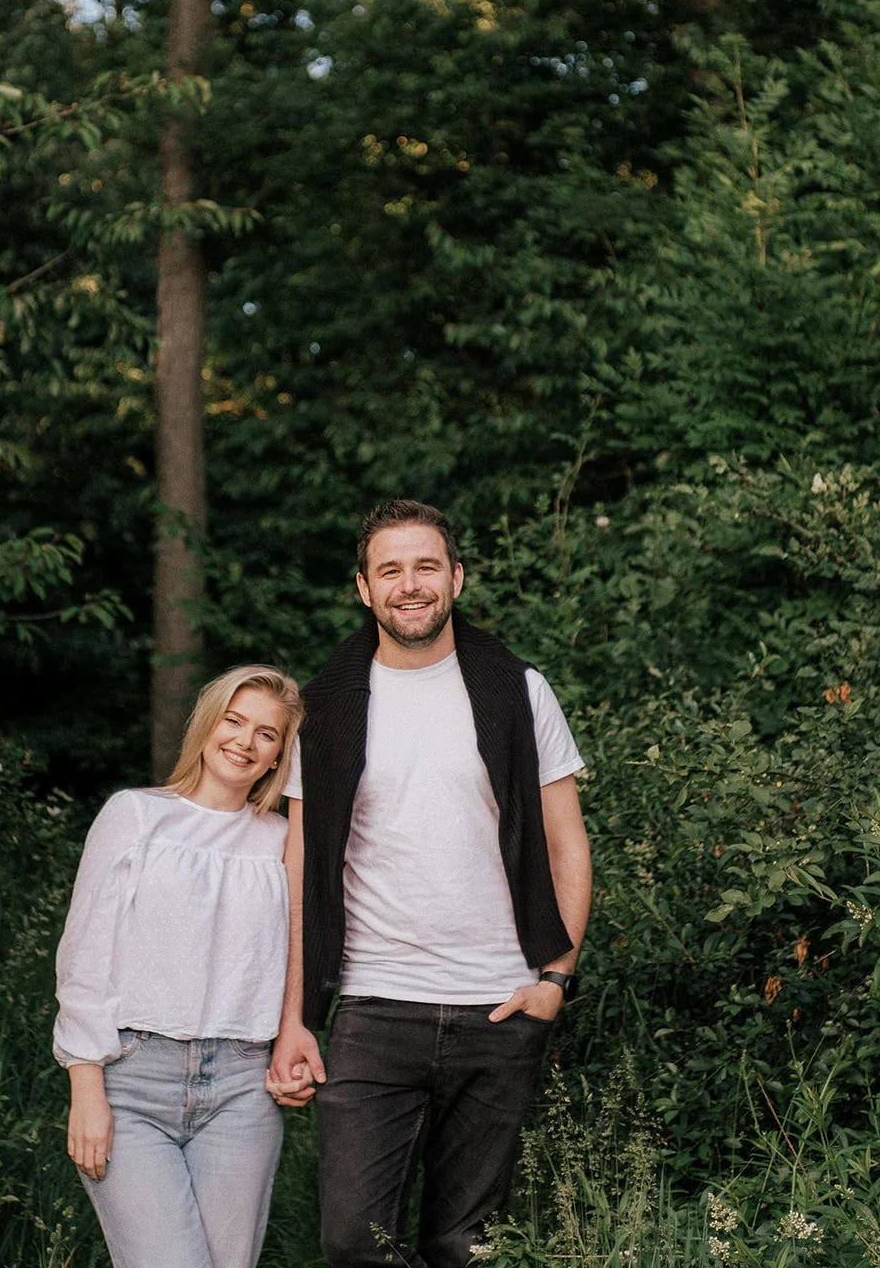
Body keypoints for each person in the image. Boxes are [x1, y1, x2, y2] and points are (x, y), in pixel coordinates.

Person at [268, 499, 592, 1268]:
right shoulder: (326, 708)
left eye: (424, 567)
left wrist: (556, 979)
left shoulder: (517, 689)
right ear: (362, 588)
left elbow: (567, 842)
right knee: (353, 1242)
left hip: (500, 1003)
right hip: (376, 1008)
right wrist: (294, 1019)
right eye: (390, 570)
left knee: (467, 1246)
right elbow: (301, 867)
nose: (408, 585)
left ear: (456, 577)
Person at [53, 664, 303, 1268]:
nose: (245, 741)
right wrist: (85, 1086)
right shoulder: (136, 816)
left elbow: (303, 954)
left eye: (267, 735)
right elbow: (84, 956)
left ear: (279, 759)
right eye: (234, 721)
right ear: (206, 725)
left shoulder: (284, 843)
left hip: (244, 1089)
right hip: (134, 1078)